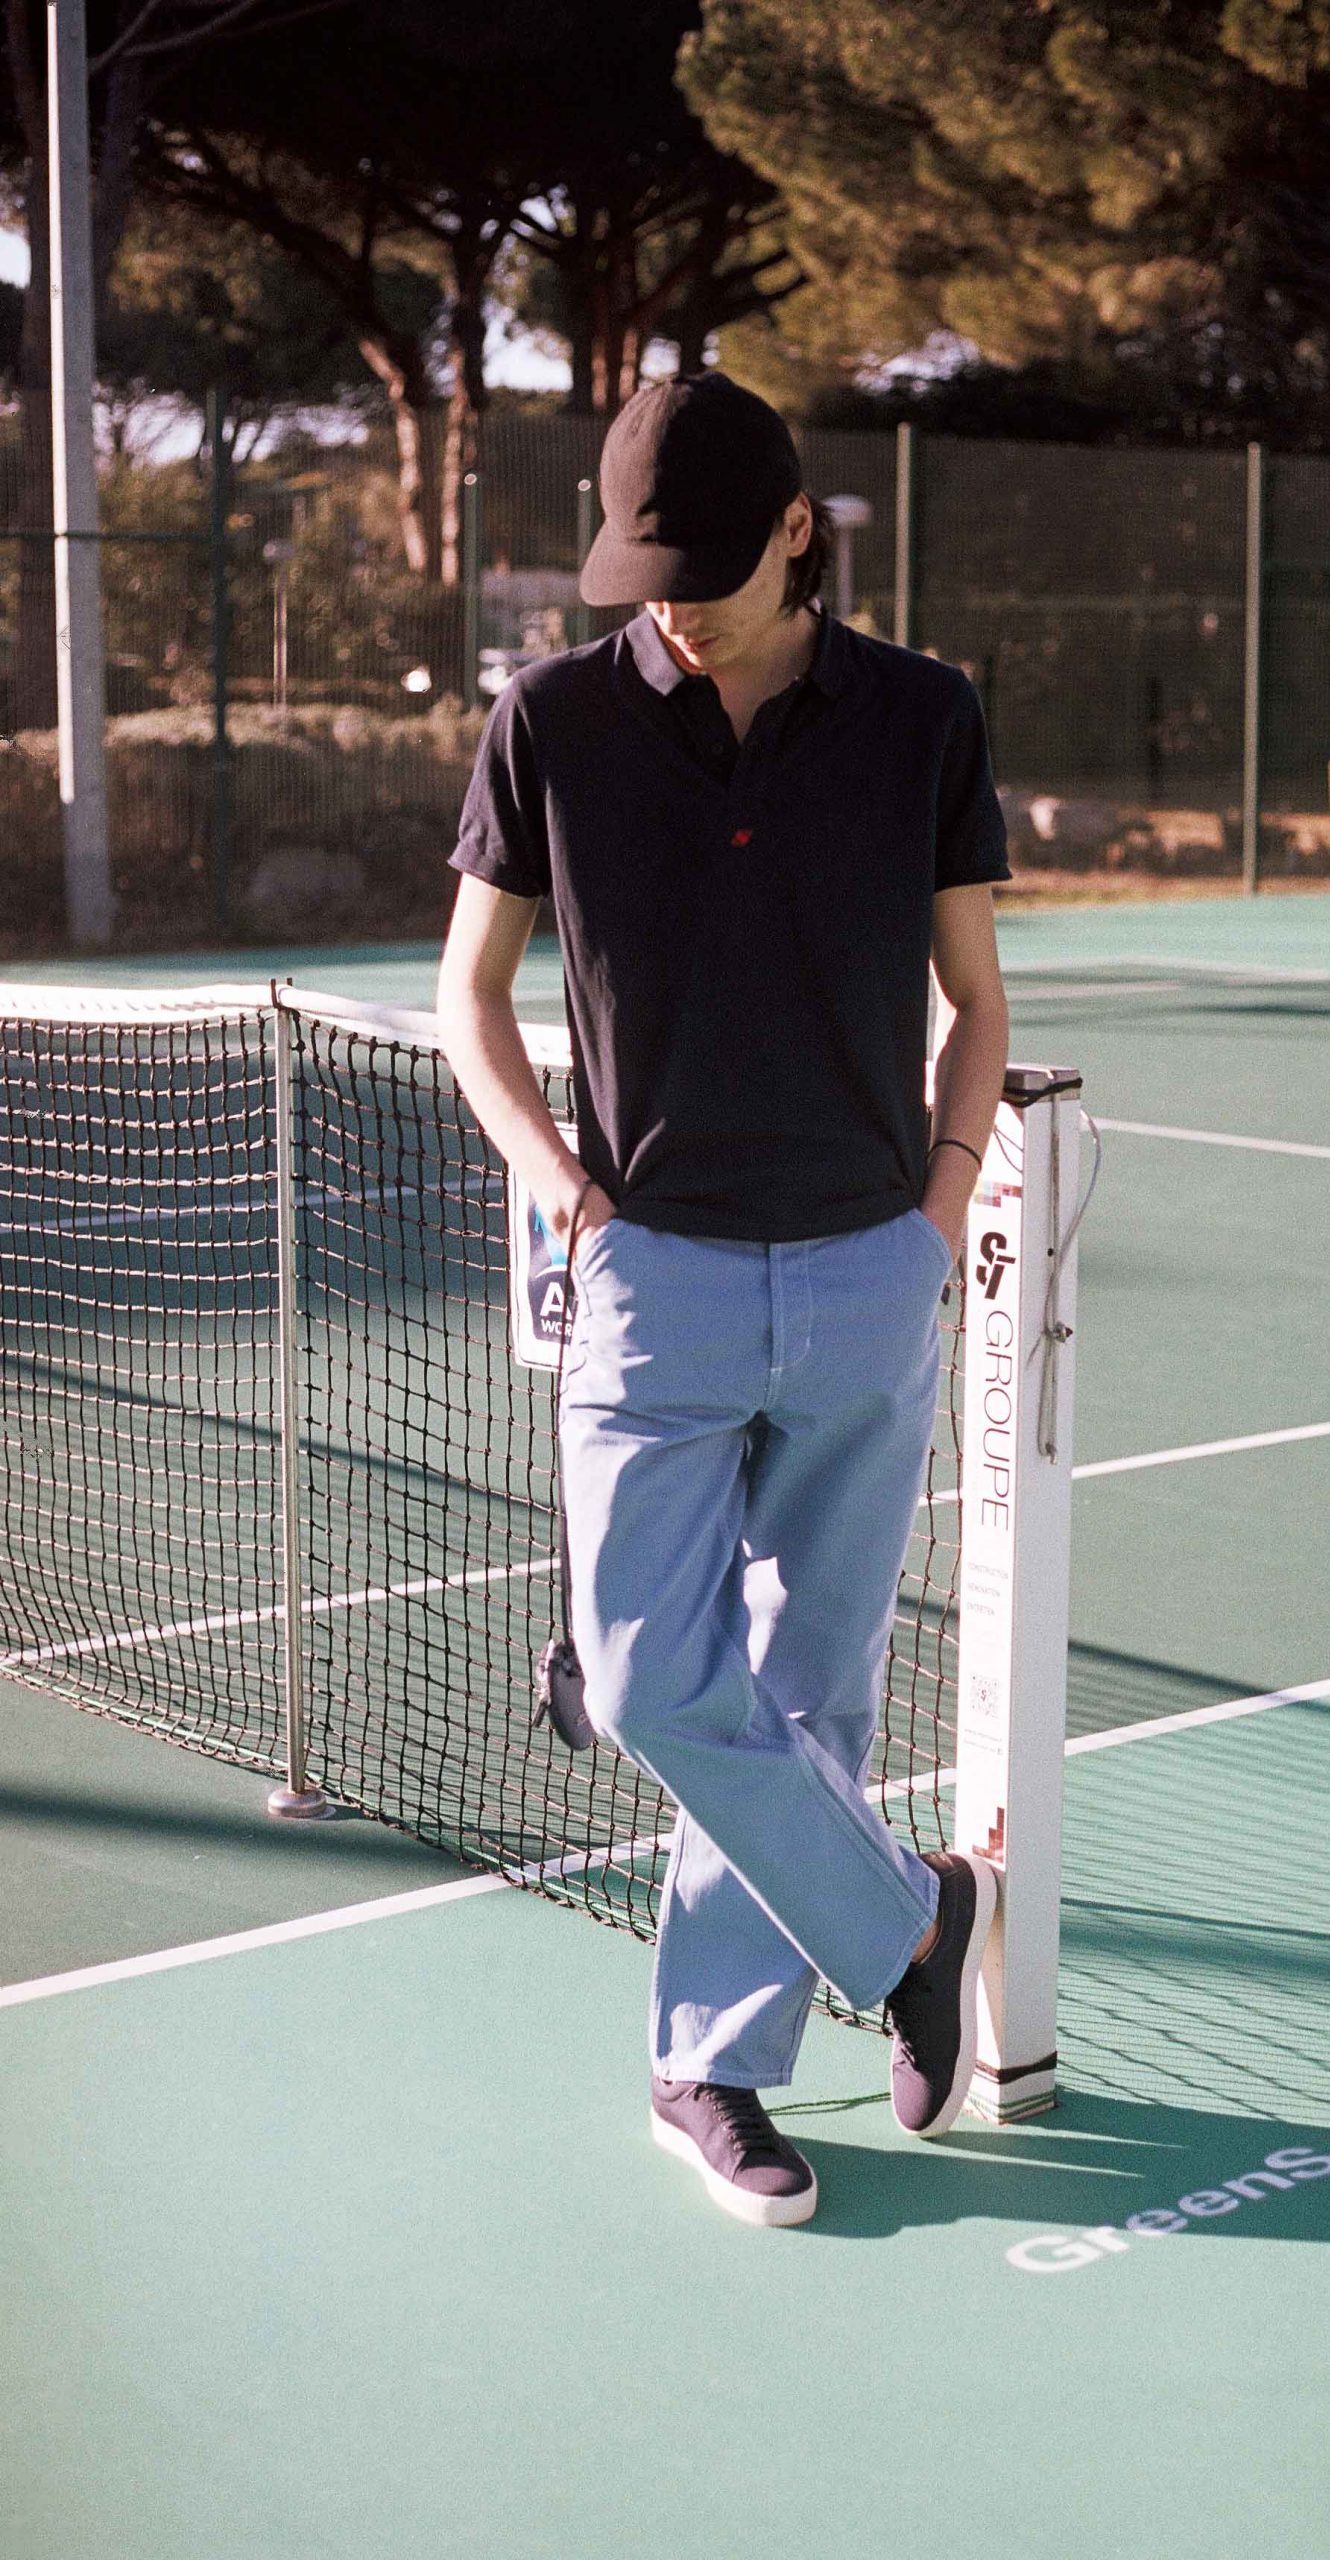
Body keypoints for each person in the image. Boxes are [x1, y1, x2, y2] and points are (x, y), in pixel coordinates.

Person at [437, 372, 1011, 2228]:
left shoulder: (923, 714)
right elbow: (468, 995)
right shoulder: (549, 720)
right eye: (640, 575)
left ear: (792, 533)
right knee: (638, 1681)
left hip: (868, 1271)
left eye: (704, 571)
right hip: (650, 1277)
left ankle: (715, 2066)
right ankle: (908, 1920)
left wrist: (935, 1213)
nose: (669, 609)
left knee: (809, 1697)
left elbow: (977, 1001)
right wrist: (566, 1197)